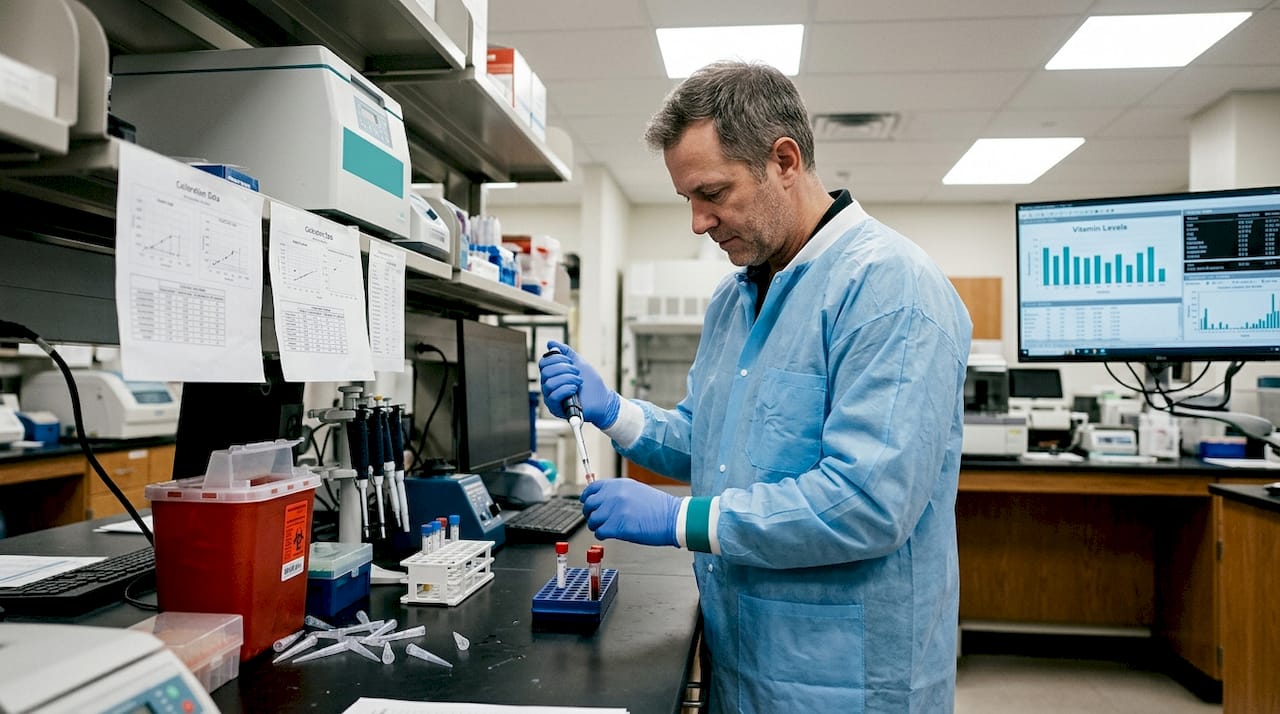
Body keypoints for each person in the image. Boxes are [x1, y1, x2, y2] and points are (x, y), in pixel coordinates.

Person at [539, 60, 972, 713]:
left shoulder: (891, 289)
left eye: (712, 193)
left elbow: (865, 503)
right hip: (740, 657)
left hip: (845, 679)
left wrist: (678, 518)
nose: (698, 221)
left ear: (785, 161)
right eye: (688, 199)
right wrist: (613, 412)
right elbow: (711, 443)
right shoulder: (733, 298)